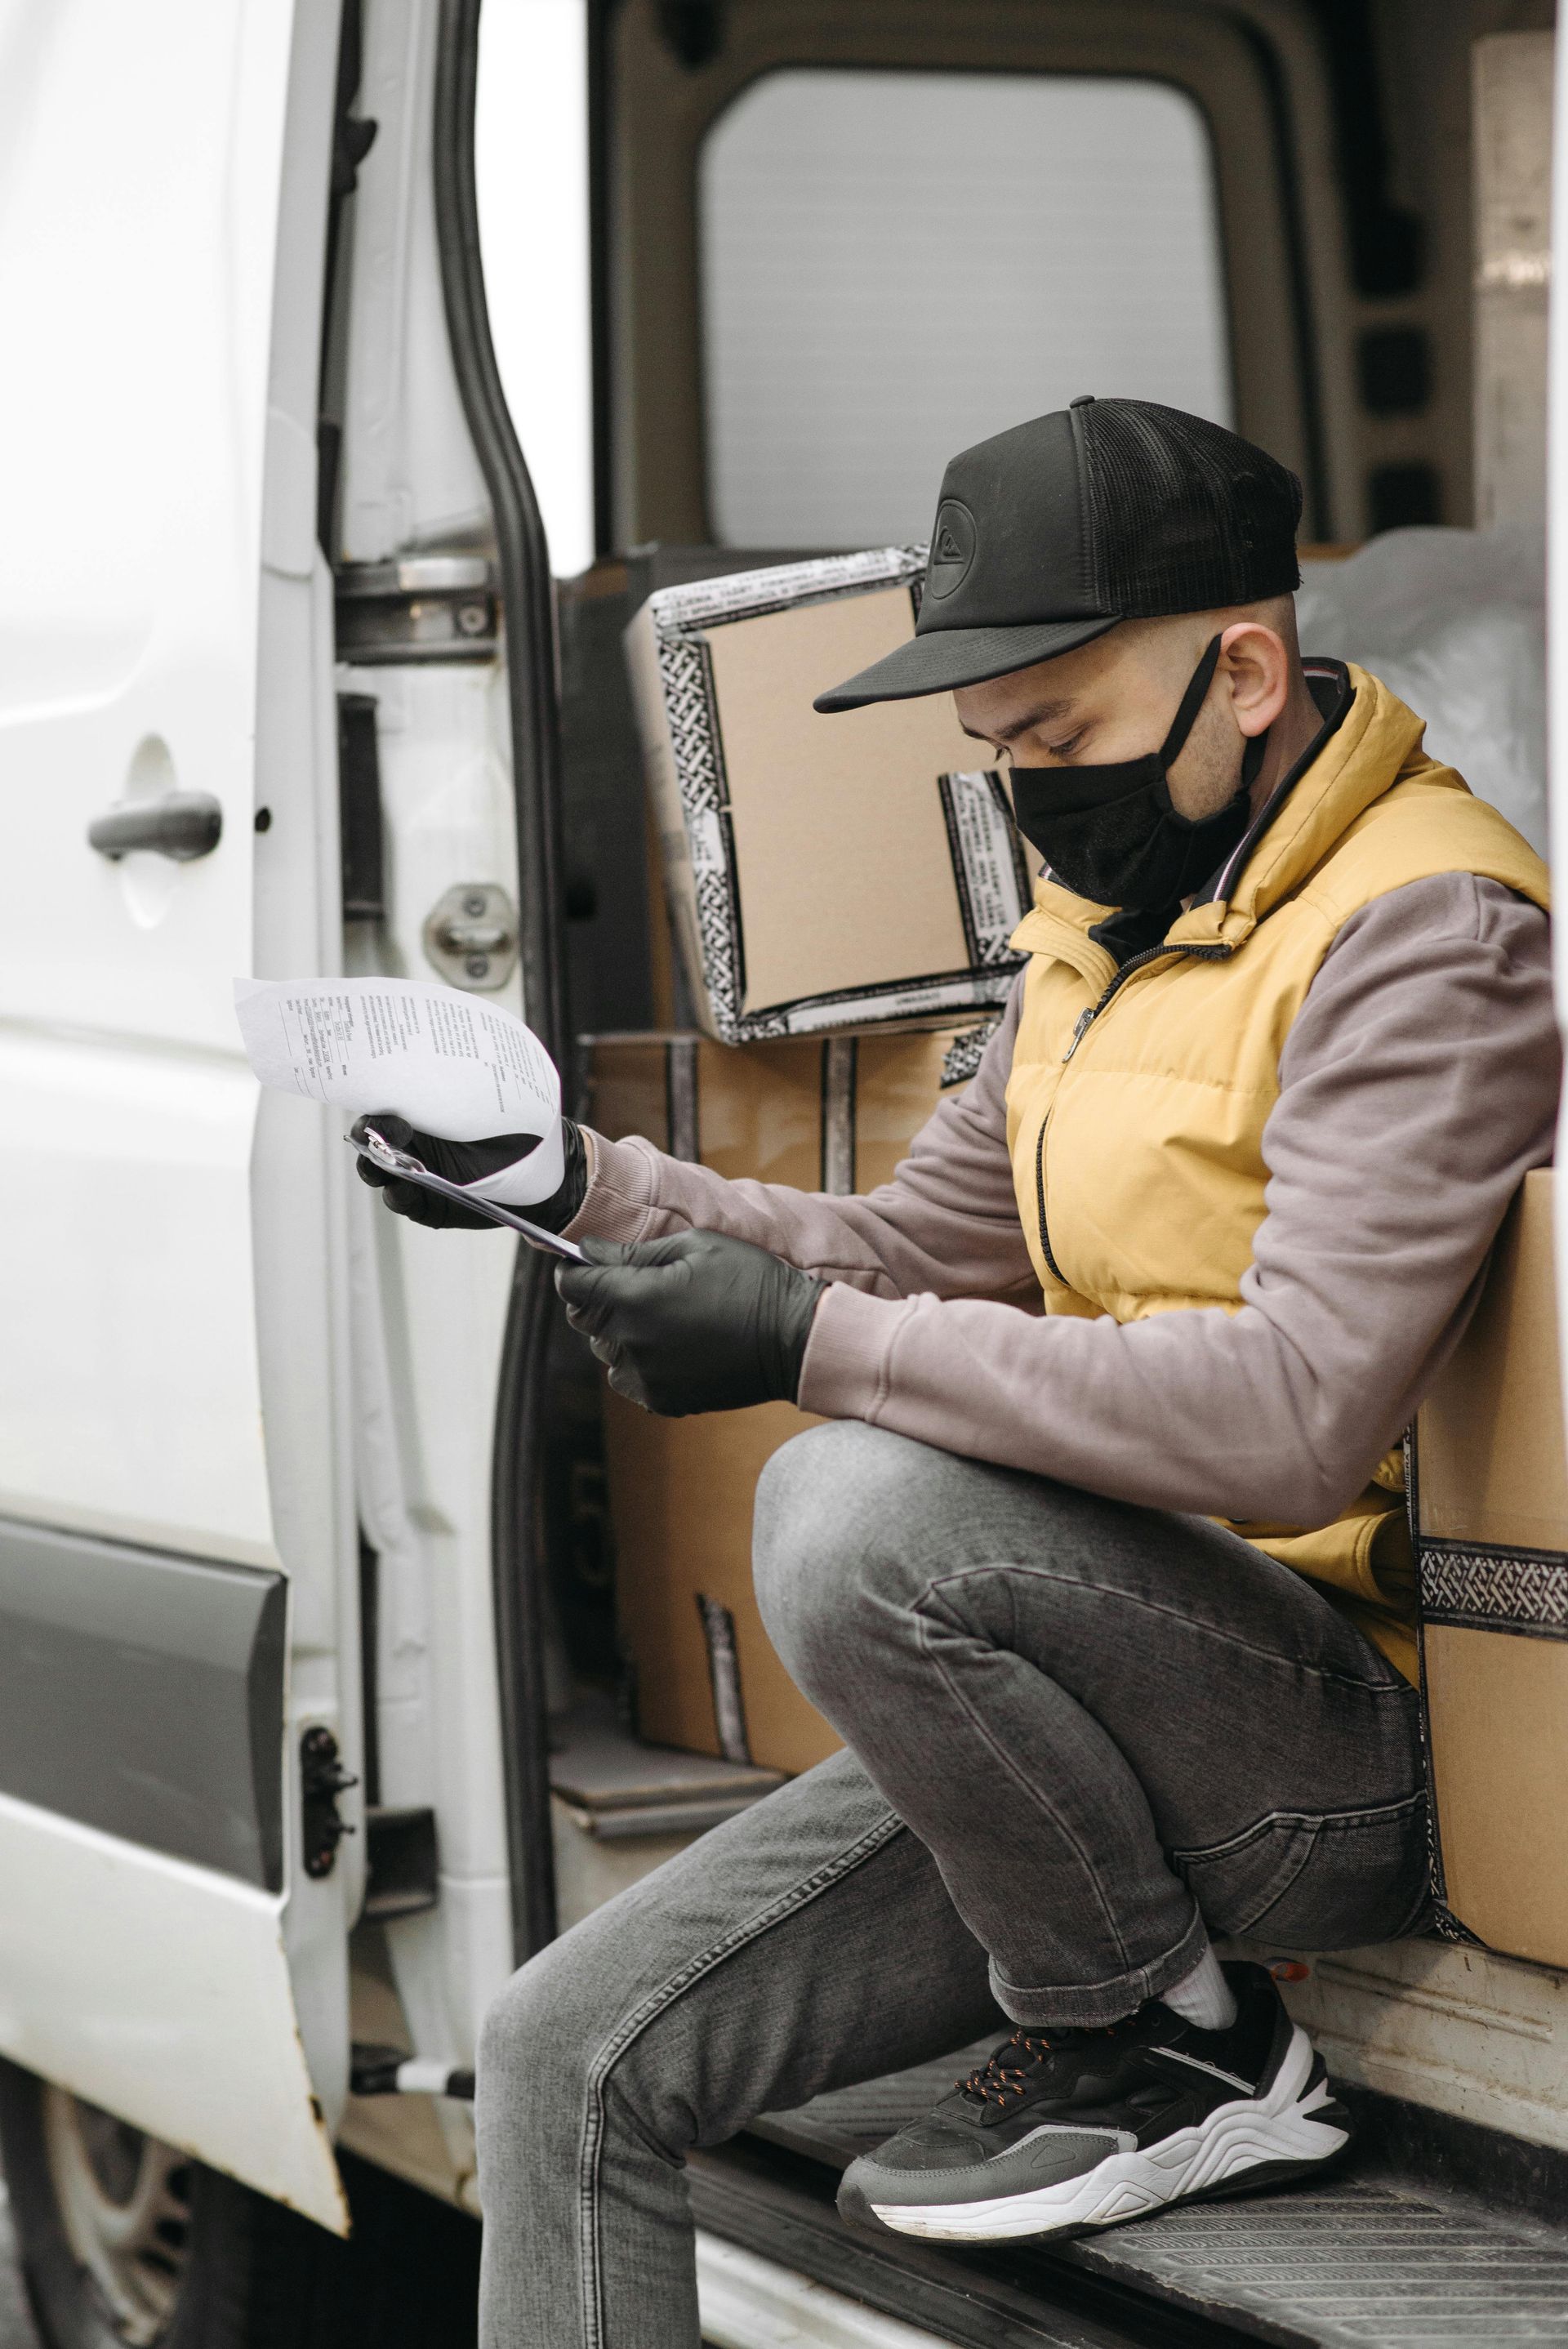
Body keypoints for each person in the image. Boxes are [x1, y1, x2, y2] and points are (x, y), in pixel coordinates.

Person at [359, 399, 1557, 2349]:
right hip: (1101, 1684)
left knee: (848, 1499)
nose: (1032, 801)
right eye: (994, 755)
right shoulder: (1098, 921)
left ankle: (1169, 2037)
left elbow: (1292, 1414)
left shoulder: (1429, 934)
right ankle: (1144, 2008)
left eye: (1063, 742)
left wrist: (807, 1347)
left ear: (1243, 672)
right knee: (564, 2051)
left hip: (1360, 1740)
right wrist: (573, 1182)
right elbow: (918, 1252)